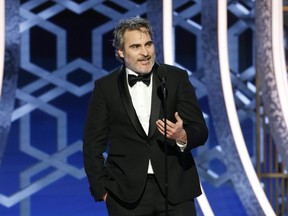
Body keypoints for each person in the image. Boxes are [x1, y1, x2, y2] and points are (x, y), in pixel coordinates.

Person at [83, 16, 208, 216]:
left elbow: (200, 130)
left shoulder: (176, 78)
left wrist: (182, 136)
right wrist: (103, 192)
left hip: (176, 194)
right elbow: (92, 145)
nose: (145, 53)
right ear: (120, 52)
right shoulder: (105, 87)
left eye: (148, 44)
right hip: (125, 197)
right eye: (135, 47)